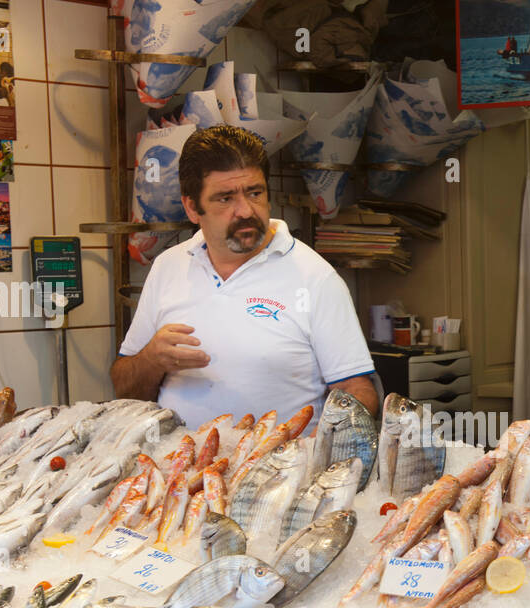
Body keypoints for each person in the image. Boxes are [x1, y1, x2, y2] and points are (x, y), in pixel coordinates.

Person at [112, 125, 378, 428]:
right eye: (225, 198)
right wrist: (150, 360)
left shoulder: (315, 277)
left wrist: (332, 439)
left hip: (278, 469)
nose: (245, 211)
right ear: (191, 207)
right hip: (180, 465)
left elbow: (355, 388)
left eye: (255, 193)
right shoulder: (168, 266)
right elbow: (125, 389)